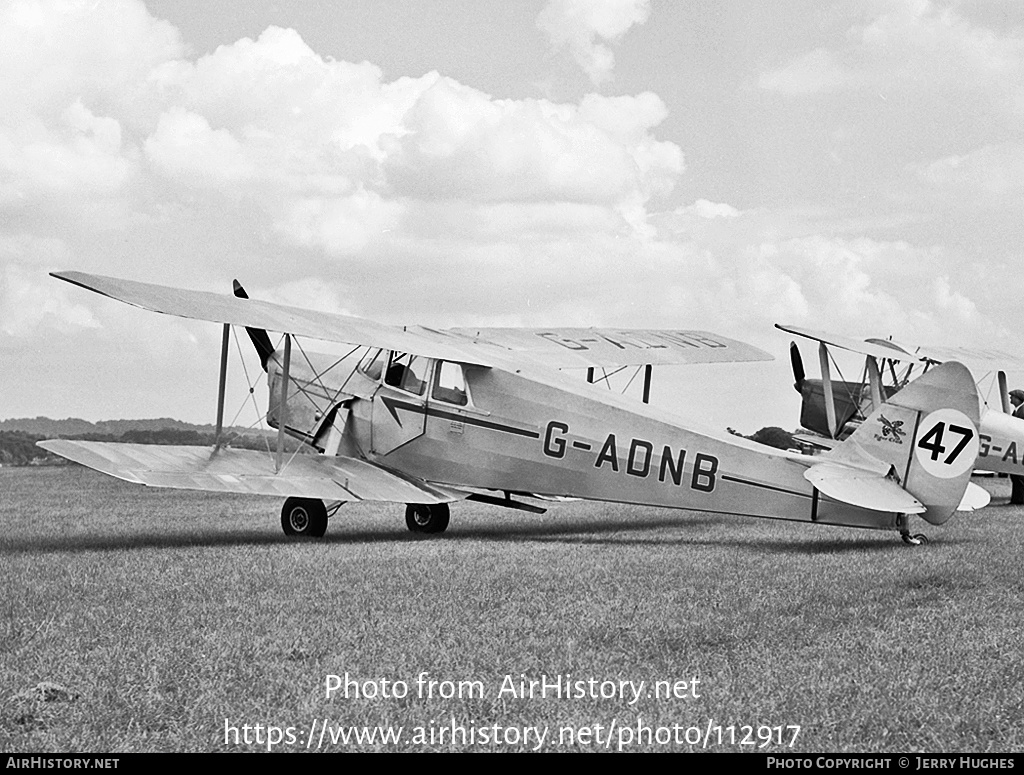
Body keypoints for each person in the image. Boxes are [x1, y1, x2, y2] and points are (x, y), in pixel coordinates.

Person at [1010, 390, 1024, 505]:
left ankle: (1020, 500)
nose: (1010, 399)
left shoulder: (1022, 410)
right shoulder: (1016, 411)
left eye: (1012, 396)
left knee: (1019, 474)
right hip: (1016, 446)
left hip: (1021, 447)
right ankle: (1017, 499)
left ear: (1018, 398)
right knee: (1015, 474)